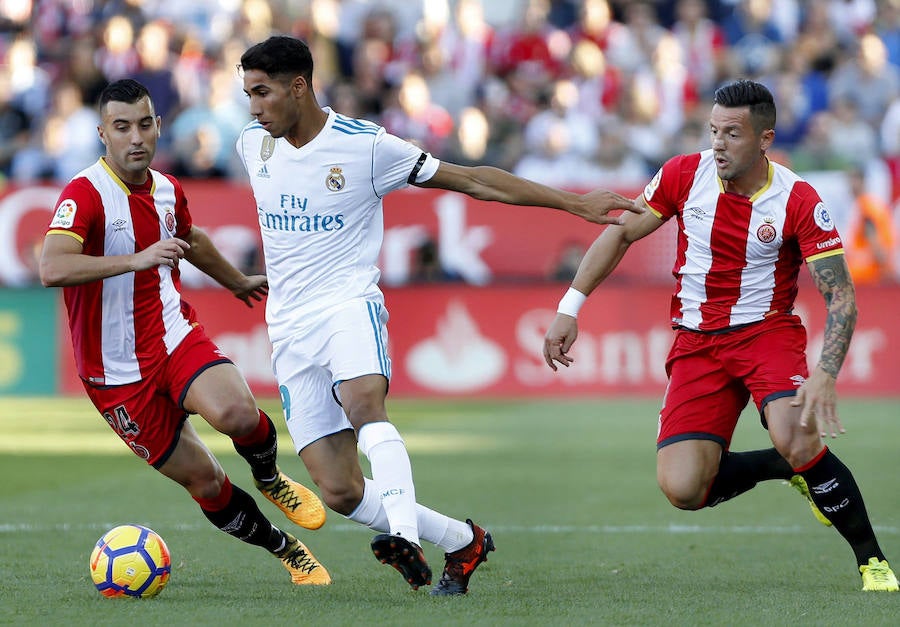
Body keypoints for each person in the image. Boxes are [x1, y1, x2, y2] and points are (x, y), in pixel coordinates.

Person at [235, 35, 639, 595]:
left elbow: (474, 179)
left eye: (262, 92)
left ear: (298, 86)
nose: (253, 107)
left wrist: (573, 203)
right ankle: (463, 541)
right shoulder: (252, 145)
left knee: (363, 404)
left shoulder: (366, 146)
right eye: (248, 93)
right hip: (289, 327)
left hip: (348, 306)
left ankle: (404, 537)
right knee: (339, 490)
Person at [543, 79, 899, 592]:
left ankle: (873, 562)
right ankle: (785, 467)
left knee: (797, 433)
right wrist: (569, 307)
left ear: (765, 139)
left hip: (766, 335)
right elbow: (621, 231)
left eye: (732, 133)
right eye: (713, 130)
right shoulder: (684, 174)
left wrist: (825, 374)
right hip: (697, 342)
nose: (718, 143)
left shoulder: (797, 199)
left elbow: (841, 296)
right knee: (684, 488)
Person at [38, 79, 330, 586]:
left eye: (145, 125)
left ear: (159, 127)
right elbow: (52, 267)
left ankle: (269, 478)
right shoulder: (84, 194)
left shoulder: (169, 189)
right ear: (102, 133)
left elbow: (189, 237)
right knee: (207, 480)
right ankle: (285, 549)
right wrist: (137, 259)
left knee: (237, 413)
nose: (136, 138)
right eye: (122, 127)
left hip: (172, 336)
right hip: (114, 376)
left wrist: (235, 281)